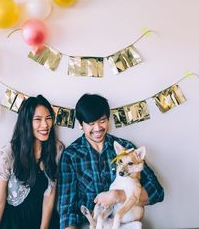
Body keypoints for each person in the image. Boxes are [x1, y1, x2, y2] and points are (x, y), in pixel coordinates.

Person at [58, 94, 164, 229]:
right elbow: (67, 211)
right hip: (91, 224)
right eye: (91, 123)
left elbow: (157, 191)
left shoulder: (125, 149)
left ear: (108, 119)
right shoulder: (71, 156)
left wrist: (118, 196)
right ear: (80, 124)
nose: (97, 128)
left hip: (125, 222)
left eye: (102, 121)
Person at [0, 95, 64, 229]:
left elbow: (50, 195)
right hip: (13, 223)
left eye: (48, 118)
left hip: (43, 220)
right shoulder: (9, 153)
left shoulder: (57, 149)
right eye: (38, 119)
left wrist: (44, 227)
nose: (45, 125)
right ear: (26, 122)